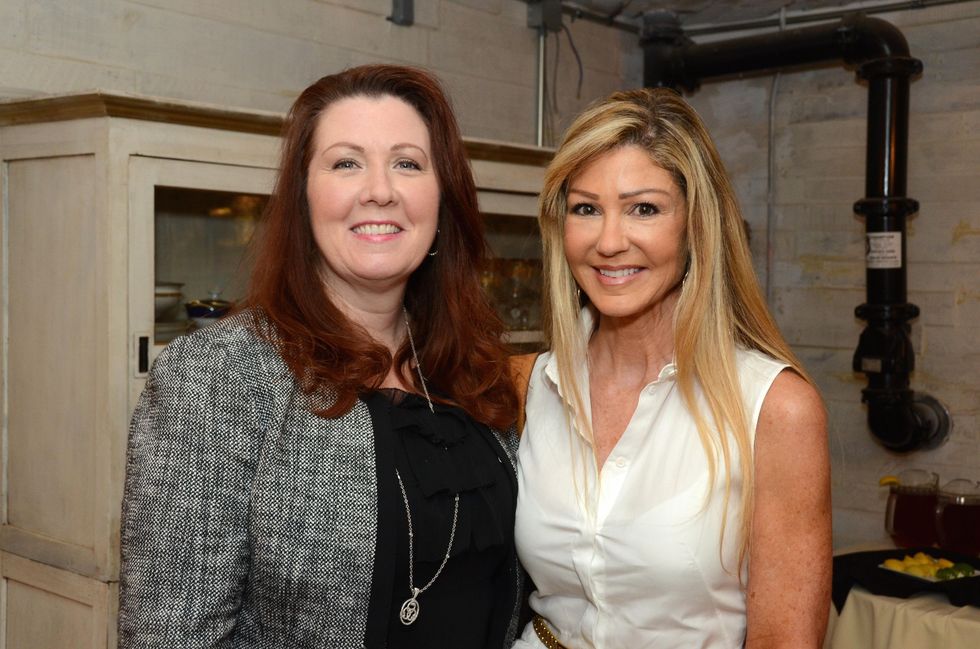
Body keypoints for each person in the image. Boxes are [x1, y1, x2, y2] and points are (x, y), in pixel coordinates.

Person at [118, 64, 522, 648]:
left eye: (408, 164)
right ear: (303, 197)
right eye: (346, 163)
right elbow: (169, 636)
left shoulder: (472, 369)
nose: (379, 190)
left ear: (443, 198)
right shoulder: (220, 374)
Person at [512, 88, 831, 648]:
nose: (610, 242)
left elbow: (784, 640)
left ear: (696, 226)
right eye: (586, 209)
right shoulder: (527, 385)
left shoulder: (776, 409)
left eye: (644, 209)